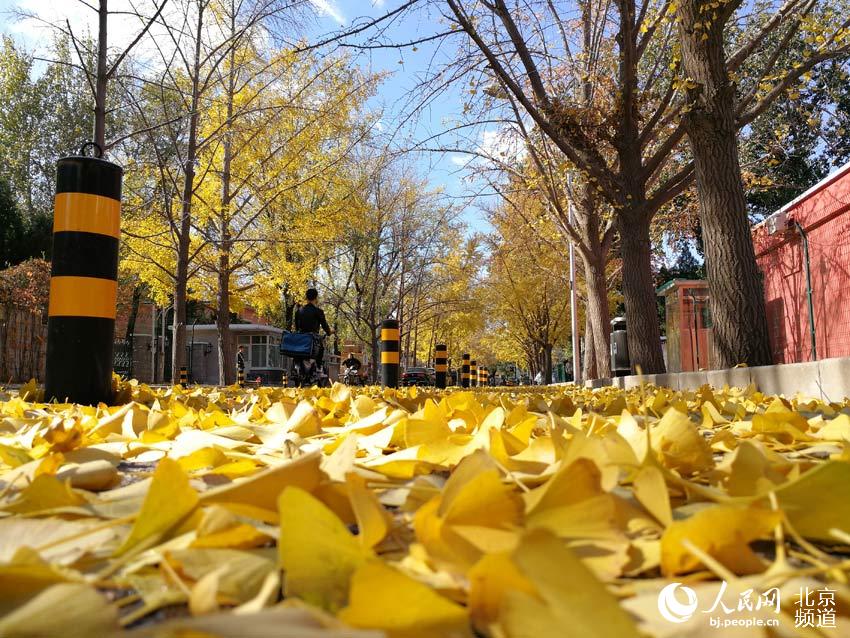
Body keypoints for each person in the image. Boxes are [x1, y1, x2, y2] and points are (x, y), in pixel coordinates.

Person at [294, 288, 333, 370]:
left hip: (301, 338)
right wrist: (329, 332)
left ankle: (297, 366)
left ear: (306, 297)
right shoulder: (318, 311)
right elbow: (325, 326)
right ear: (316, 298)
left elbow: (297, 327)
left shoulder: (298, 311)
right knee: (321, 348)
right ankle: (318, 367)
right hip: (312, 338)